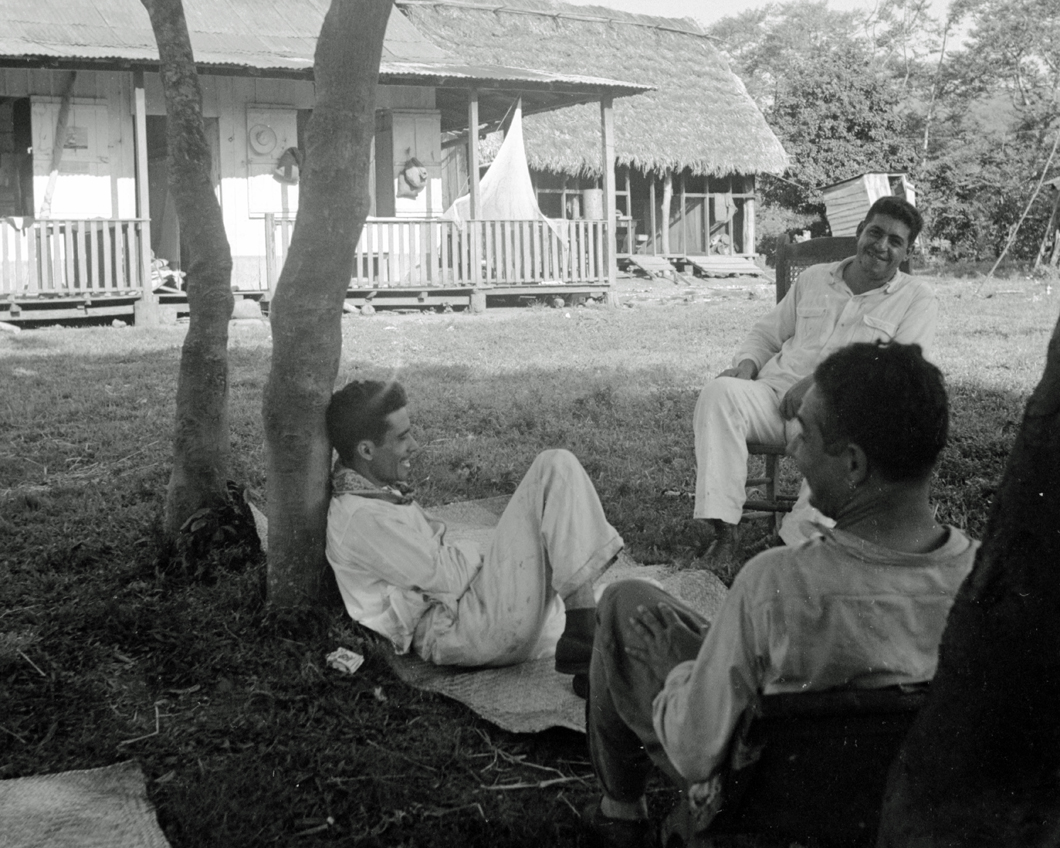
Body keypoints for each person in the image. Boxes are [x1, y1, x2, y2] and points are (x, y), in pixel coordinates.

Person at [582, 342, 979, 846]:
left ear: (853, 464)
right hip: (908, 811)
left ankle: (620, 816)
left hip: (760, 807)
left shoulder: (776, 586)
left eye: (804, 435)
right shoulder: (984, 582)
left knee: (624, 603)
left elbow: (694, 749)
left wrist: (681, 670)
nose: (791, 449)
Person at [324, 379, 623, 692]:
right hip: (463, 627)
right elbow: (448, 577)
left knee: (628, 599)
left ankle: (583, 632)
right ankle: (583, 637)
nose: (414, 444)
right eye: (401, 437)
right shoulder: (361, 518)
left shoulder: (370, 493)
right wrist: (483, 553)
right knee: (554, 466)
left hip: (474, 615)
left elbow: (441, 569)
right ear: (366, 450)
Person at [694, 196, 936, 566]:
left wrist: (824, 383)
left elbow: (899, 371)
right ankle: (725, 533)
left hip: (840, 415)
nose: (881, 246)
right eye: (875, 232)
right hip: (775, 399)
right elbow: (766, 335)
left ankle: (785, 547)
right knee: (718, 394)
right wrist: (745, 367)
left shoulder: (915, 298)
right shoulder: (813, 279)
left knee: (850, 442)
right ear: (859, 232)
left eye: (895, 241)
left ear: (906, 252)